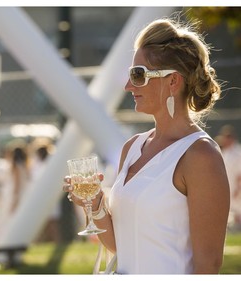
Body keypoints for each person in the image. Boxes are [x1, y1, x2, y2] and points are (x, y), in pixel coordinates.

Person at [63, 17, 230, 274]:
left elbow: (208, 265)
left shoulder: (201, 156)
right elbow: (122, 245)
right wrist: (95, 204)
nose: (129, 85)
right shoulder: (133, 147)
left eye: (138, 75)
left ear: (173, 81)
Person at [215, 125, 241, 230]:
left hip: (236, 188)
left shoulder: (238, 152)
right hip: (227, 187)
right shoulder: (225, 152)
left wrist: (238, 189)